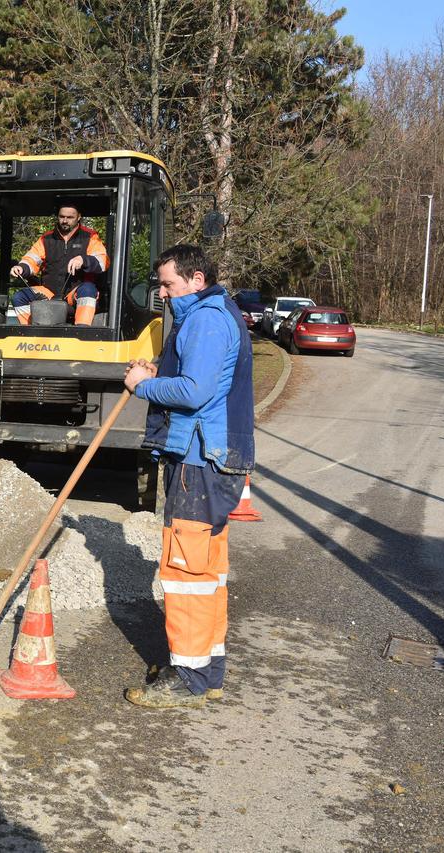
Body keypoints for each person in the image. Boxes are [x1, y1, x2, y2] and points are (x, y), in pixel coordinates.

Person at [122, 244, 254, 709]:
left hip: (199, 462)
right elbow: (203, 379)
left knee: (186, 571)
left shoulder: (205, 320)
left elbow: (195, 392)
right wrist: (160, 372)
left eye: (168, 284)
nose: (162, 293)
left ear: (197, 280)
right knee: (206, 572)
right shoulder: (215, 314)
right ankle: (205, 669)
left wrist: (144, 385)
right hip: (212, 459)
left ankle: (190, 679)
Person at [9, 201, 108, 326]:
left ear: (79, 217)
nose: (65, 221)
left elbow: (103, 261)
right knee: (19, 297)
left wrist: (83, 260)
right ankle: (31, 330)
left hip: (75, 293)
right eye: (62, 217)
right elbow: (32, 258)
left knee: (88, 289)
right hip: (49, 293)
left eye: (70, 217)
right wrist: (22, 267)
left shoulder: (90, 237)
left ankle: (82, 330)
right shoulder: (46, 239)